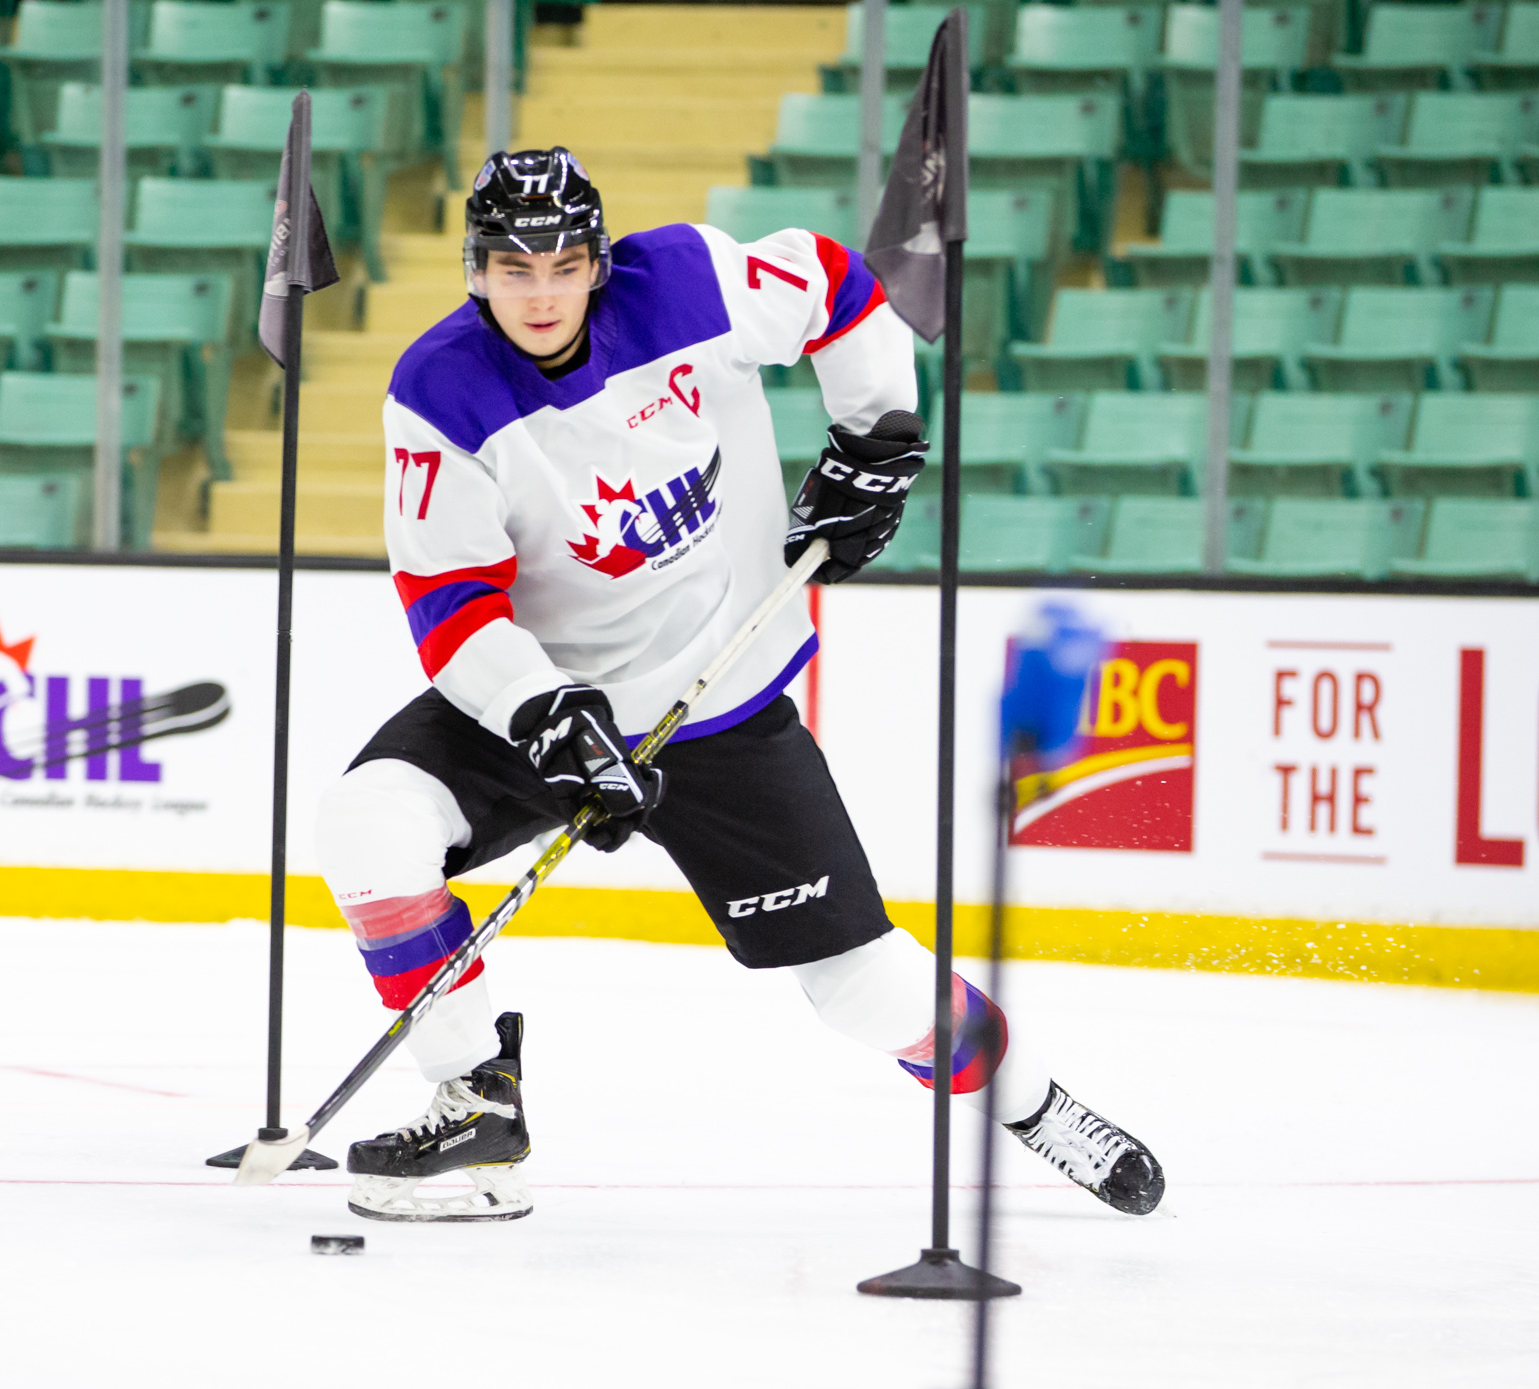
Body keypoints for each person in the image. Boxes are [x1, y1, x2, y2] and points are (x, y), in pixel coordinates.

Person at [315, 148, 1165, 1224]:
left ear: (599, 261)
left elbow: (839, 287)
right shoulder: (438, 393)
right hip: (542, 701)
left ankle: (1034, 1105)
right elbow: (450, 606)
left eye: (563, 264)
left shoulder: (685, 283)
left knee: (861, 990)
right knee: (367, 823)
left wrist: (876, 434)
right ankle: (477, 1097)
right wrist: (544, 716)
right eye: (510, 268)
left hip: (718, 703)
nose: (538, 292)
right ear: (475, 271)